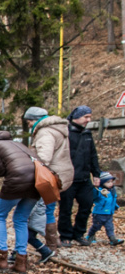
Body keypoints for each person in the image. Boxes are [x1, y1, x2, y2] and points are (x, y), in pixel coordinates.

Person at [0, 130, 41, 273]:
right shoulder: (18, 145)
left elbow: (1, 171)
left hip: (18, 180)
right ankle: (21, 261)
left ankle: (1, 259)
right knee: (21, 219)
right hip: (38, 181)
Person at [26, 106, 74, 251]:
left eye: (28, 121)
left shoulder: (45, 132)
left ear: (34, 119)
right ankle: (52, 243)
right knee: (48, 209)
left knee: (43, 210)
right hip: (59, 174)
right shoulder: (57, 129)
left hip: (49, 176)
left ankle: (50, 246)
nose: (28, 124)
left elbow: (44, 158)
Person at [60, 105, 103, 247]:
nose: (88, 120)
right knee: (66, 208)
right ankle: (65, 235)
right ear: (77, 117)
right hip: (69, 178)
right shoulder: (65, 133)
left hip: (84, 179)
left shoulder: (87, 134)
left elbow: (93, 155)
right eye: (86, 117)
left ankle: (79, 233)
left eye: (89, 117)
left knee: (86, 205)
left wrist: (96, 174)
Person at [8, 200, 56, 265]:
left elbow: (32, 206)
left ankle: (45, 251)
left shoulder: (37, 196)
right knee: (24, 236)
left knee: (28, 237)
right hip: (35, 219)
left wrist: (24, 216)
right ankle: (16, 254)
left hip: (35, 220)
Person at [86, 172, 123, 246]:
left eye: (111, 182)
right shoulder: (99, 191)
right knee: (96, 226)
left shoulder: (112, 191)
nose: (111, 184)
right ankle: (90, 236)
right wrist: (95, 187)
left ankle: (112, 239)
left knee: (110, 227)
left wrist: (115, 206)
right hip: (99, 213)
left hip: (109, 213)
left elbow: (112, 200)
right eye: (108, 182)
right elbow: (94, 197)